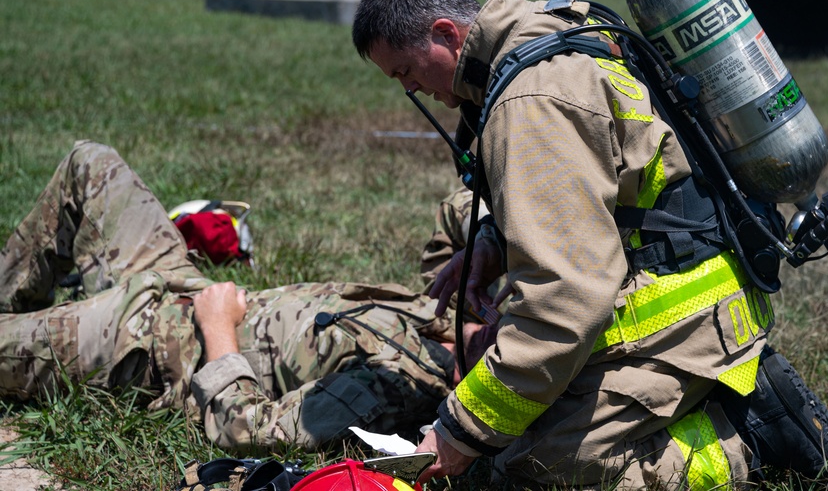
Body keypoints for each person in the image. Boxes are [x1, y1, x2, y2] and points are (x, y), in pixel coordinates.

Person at [352, 0, 828, 490]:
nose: (409, 87)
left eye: (405, 71)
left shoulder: (531, 100)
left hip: (686, 311)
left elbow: (562, 304)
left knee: (539, 466)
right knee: (516, 422)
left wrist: (457, 434)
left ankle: (749, 439)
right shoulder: (551, 28)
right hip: (694, 282)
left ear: (445, 34)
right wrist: (493, 244)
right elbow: (604, 188)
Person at [0, 140, 493, 453]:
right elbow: (460, 210)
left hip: (138, 347)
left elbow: (250, 431)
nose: (497, 333)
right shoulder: (451, 308)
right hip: (178, 282)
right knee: (91, 161)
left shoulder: (400, 393)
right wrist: (497, 247)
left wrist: (218, 328)